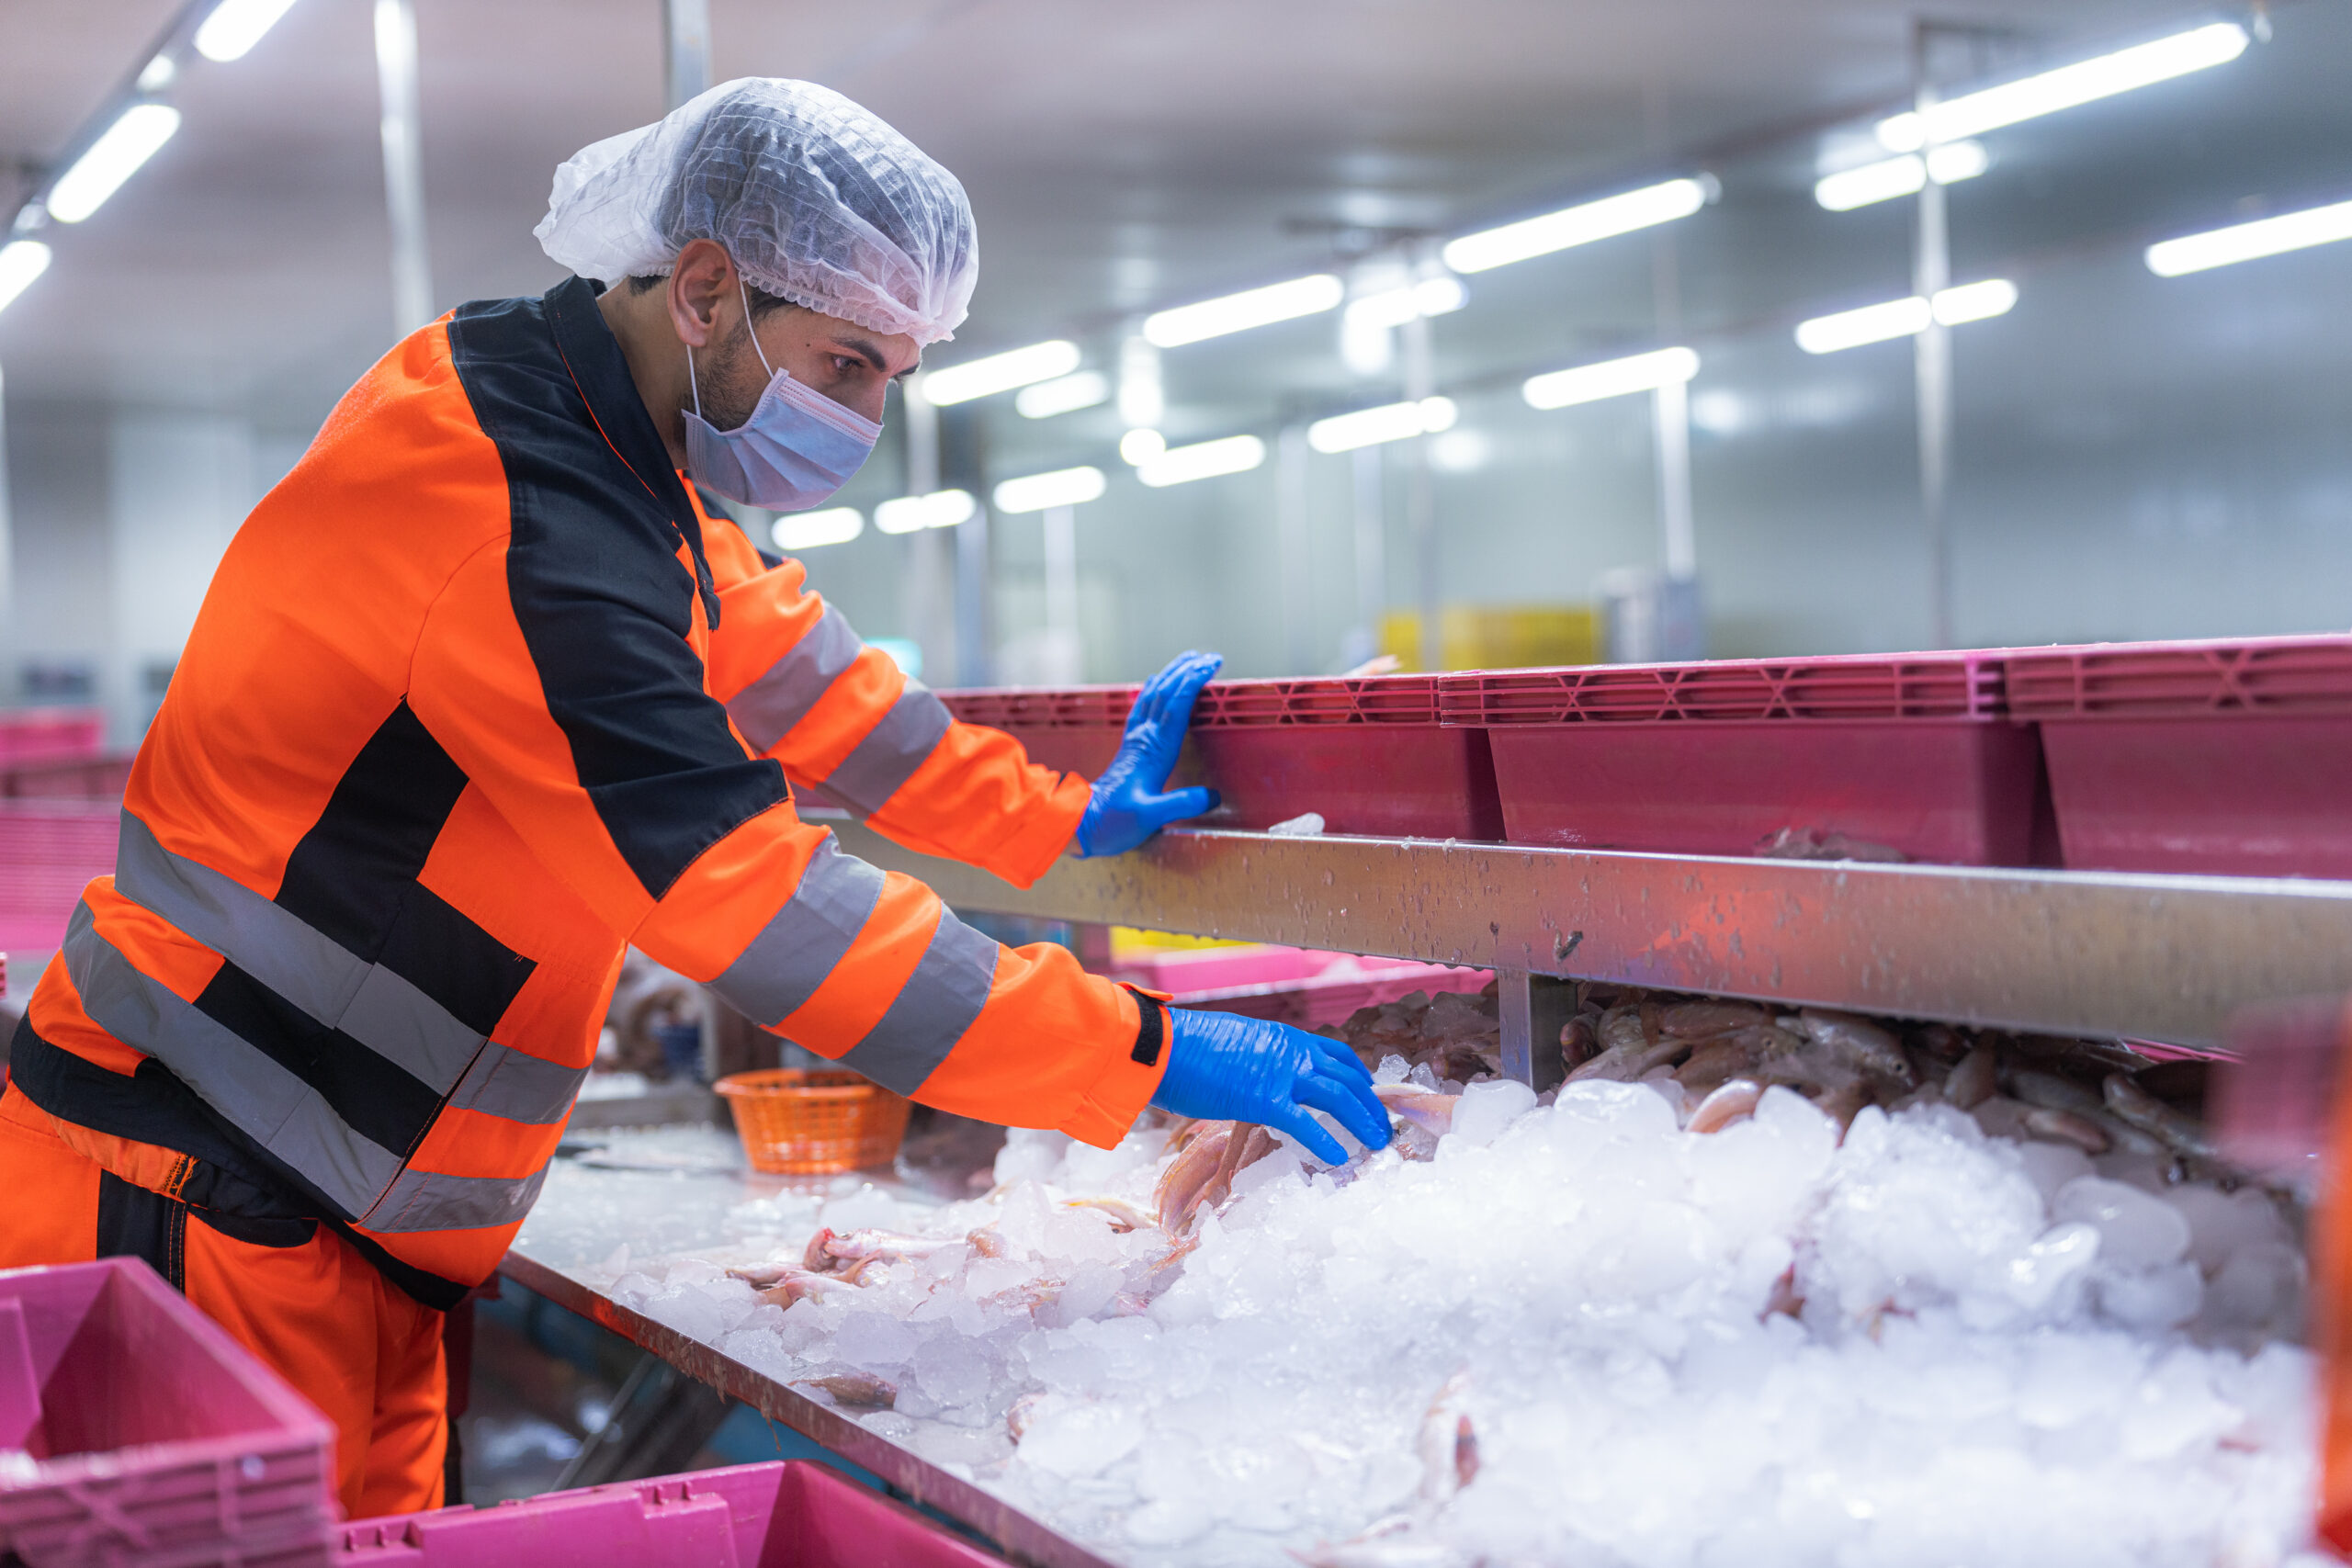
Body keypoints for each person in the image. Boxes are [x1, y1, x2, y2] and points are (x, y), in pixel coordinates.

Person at [0, 79, 1387, 1517]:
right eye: (847, 364)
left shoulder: (577, 433)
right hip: (189, 1200)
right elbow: (763, 912)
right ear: (711, 290)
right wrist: (1150, 1055)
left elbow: (803, 678)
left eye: (891, 378)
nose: (865, 416)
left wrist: (1057, 819)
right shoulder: (524, 526)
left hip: (326, 1226)